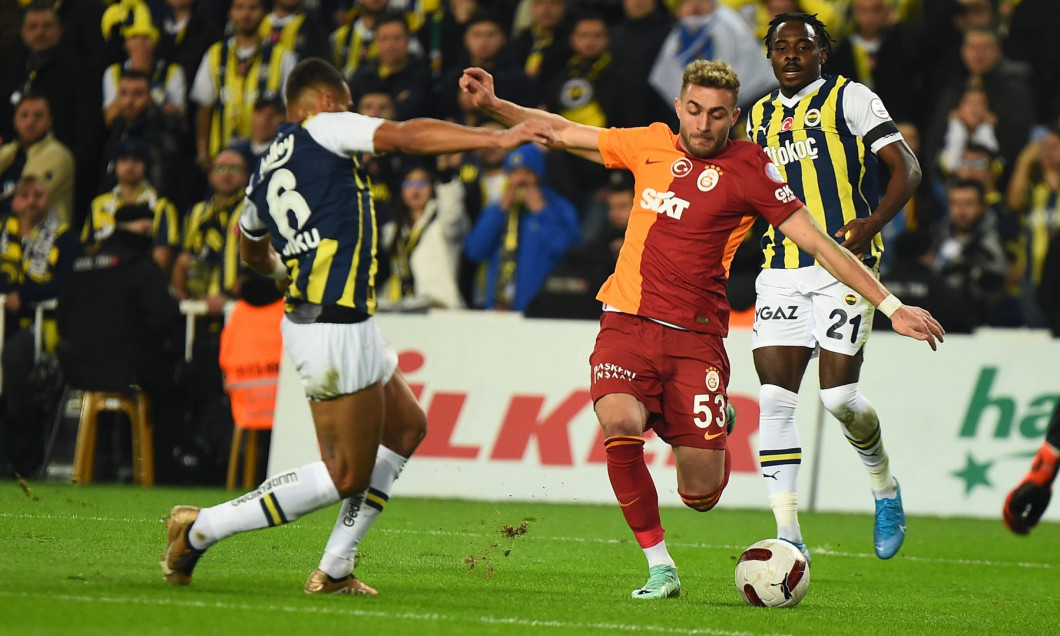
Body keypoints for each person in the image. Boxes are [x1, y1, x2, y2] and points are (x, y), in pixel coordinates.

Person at [461, 58, 943, 599]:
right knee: (619, 423)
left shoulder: (750, 168)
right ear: (679, 108)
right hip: (627, 322)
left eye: (716, 115)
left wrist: (890, 304)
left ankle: (713, 419)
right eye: (694, 110)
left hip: (696, 340)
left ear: (733, 116)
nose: (703, 124)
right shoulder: (648, 143)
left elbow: (818, 242)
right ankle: (660, 567)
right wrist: (497, 106)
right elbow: (560, 130)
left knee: (701, 494)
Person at [160, 57, 554, 594]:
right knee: (346, 472)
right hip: (331, 326)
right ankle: (200, 528)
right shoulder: (323, 124)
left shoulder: (266, 168)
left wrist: (283, 268)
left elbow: (248, 243)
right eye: (348, 105)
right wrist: (494, 139)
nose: (353, 115)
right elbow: (407, 136)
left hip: (344, 319)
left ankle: (336, 567)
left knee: (408, 427)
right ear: (325, 101)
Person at [744, 12, 922, 563]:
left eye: (804, 46)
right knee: (774, 400)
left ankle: (885, 488)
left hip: (844, 266)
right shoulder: (756, 117)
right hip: (779, 271)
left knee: (838, 396)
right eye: (782, 47)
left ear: (824, 52)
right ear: (769, 56)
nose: (792, 55)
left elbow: (907, 169)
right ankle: (789, 535)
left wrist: (871, 224)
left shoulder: (850, 99)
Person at [462, 142, 581, 311]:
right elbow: (475, 251)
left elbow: (567, 252)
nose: (520, 179)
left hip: (542, 310)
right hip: (498, 310)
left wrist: (541, 212)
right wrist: (499, 211)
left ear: (539, 175)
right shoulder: (498, 209)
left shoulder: (560, 208)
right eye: (514, 173)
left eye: (526, 173)